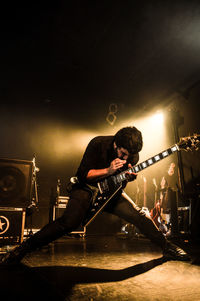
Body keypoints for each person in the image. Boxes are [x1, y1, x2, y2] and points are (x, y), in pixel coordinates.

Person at [0, 126, 190, 265]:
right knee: (69, 223)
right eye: (123, 153)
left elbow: (124, 177)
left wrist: (129, 177)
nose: (125, 158)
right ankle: (22, 249)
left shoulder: (132, 154)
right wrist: (108, 170)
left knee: (139, 215)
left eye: (129, 156)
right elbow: (83, 175)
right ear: (116, 143)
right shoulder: (98, 144)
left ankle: (168, 247)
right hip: (86, 188)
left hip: (112, 192)